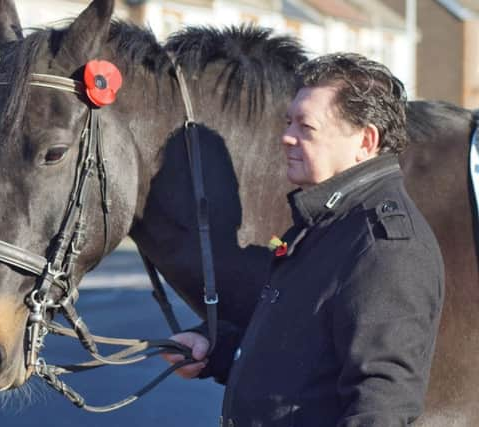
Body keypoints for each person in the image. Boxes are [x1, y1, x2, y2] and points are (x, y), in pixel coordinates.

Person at [163, 53, 445, 426]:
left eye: (306, 127)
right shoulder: (326, 220)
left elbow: (381, 405)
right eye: (288, 122)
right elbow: (300, 353)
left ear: (365, 140)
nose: (286, 136)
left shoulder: (386, 247)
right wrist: (213, 351)